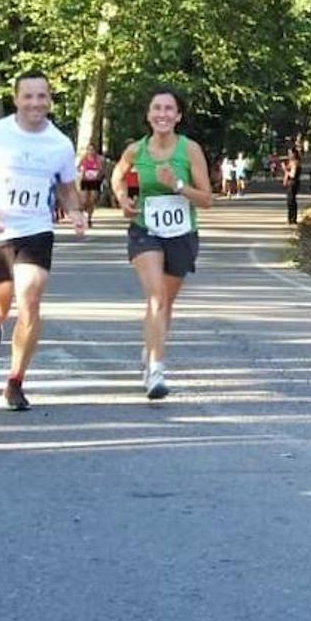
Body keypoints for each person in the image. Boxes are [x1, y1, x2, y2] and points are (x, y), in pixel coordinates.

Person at [0, 72, 86, 411]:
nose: (35, 103)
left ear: (50, 100)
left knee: (29, 299)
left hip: (35, 231)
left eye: (42, 96)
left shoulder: (60, 143)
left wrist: (75, 211)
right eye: (28, 96)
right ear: (16, 99)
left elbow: (67, 187)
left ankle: (15, 381)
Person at [110, 87, 213, 401]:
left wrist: (178, 186)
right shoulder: (136, 150)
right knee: (155, 296)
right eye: (157, 108)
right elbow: (118, 175)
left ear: (178, 116)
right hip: (145, 230)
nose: (163, 114)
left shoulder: (189, 150)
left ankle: (150, 347)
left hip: (181, 233)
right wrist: (124, 198)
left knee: (165, 302)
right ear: (148, 114)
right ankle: (156, 369)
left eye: (169, 109)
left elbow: (207, 199)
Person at [76, 144, 105, 228]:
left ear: (95, 150)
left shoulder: (99, 159)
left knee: (92, 200)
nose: (90, 151)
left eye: (92, 149)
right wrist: (82, 172)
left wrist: (98, 174)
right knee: (84, 200)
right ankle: (82, 216)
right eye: (89, 149)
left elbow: (102, 170)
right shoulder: (84, 158)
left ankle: (89, 218)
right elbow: (78, 168)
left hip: (95, 181)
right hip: (85, 180)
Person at [283, 147, 302, 224]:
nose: (289, 155)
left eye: (290, 153)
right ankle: (291, 218)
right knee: (291, 200)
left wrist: (285, 169)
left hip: (293, 183)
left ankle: (292, 218)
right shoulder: (292, 162)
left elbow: (292, 174)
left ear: (294, 154)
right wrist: (285, 180)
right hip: (292, 182)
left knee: (291, 201)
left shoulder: (295, 163)